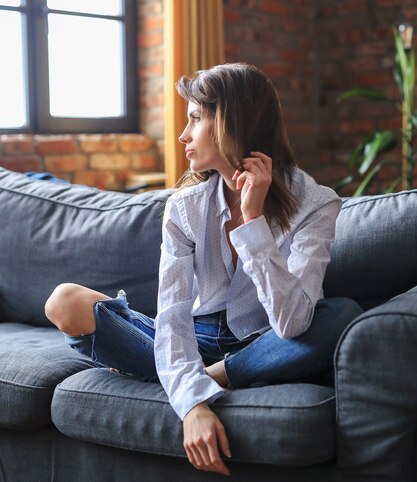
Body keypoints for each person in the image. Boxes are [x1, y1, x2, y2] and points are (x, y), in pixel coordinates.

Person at [45, 63, 362, 477]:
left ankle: (209, 375)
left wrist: (253, 225)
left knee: (342, 316)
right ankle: (193, 375)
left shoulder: (316, 204)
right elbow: (174, 318)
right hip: (197, 335)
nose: (183, 134)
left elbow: (293, 322)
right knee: (65, 302)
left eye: (196, 118)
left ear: (232, 122)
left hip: (268, 342)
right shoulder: (183, 207)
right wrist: (194, 404)